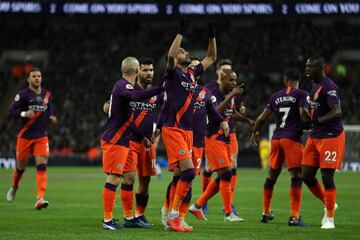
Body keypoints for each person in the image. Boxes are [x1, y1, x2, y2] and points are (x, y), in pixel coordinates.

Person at [158, 21, 219, 232]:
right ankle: (174, 215)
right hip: (173, 128)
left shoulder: (192, 74)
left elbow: (211, 57)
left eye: (185, 51)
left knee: (179, 175)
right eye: (183, 51)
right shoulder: (173, 72)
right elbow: (171, 56)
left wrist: (212, 36)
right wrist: (180, 34)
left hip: (188, 131)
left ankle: (170, 216)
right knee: (190, 172)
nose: (185, 52)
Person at [101, 57, 163, 230]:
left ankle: (130, 218)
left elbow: (129, 121)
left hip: (126, 138)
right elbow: (134, 95)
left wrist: (142, 136)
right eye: (144, 70)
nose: (148, 73)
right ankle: (107, 220)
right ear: (137, 71)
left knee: (129, 176)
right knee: (114, 177)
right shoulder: (124, 86)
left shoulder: (122, 86)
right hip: (116, 139)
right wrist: (161, 88)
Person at [190, 69, 252, 222]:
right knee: (225, 174)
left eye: (235, 80)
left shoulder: (229, 94)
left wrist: (248, 120)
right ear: (222, 80)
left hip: (225, 139)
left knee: (225, 175)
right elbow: (215, 112)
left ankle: (197, 206)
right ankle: (228, 213)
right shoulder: (213, 93)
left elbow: (231, 112)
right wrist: (232, 95)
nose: (234, 83)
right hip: (213, 137)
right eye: (231, 80)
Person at [250, 68, 310, 226]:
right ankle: (294, 217)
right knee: (296, 176)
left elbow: (262, 118)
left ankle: (265, 212)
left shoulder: (275, 96)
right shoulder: (302, 94)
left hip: (276, 139)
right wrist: (312, 123)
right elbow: (303, 112)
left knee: (271, 176)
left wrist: (254, 132)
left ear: (285, 80)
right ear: (299, 80)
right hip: (291, 139)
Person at [302, 56, 345, 229]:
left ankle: (329, 218)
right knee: (306, 175)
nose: (307, 69)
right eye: (306, 66)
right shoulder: (314, 86)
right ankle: (329, 203)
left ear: (321, 67)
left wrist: (317, 121)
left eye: (310, 66)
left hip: (330, 135)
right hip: (315, 135)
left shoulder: (329, 87)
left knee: (327, 177)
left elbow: (337, 112)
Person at [7, 68, 57, 210]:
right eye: (34, 76)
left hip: (41, 136)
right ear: (28, 79)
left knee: (42, 166)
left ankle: (40, 199)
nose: (37, 78)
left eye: (39, 76)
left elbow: (49, 110)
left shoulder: (47, 95)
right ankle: (14, 187)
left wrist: (51, 116)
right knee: (21, 167)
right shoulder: (22, 95)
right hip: (25, 136)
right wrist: (24, 113)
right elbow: (11, 111)